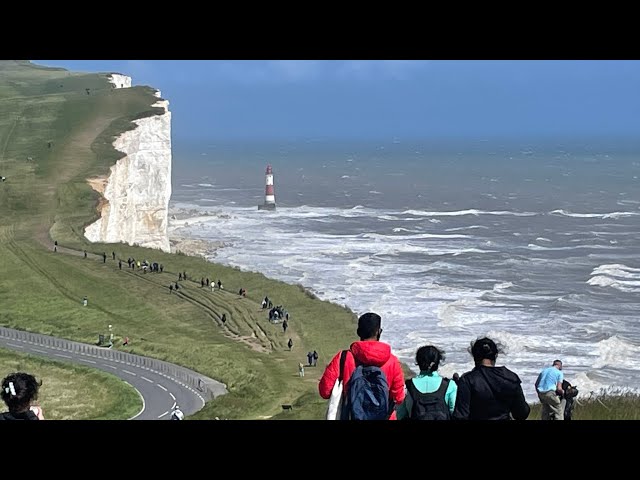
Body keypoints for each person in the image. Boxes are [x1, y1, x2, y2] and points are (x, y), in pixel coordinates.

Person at [318, 312, 405, 420]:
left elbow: (325, 391)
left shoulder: (343, 358)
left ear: (358, 332)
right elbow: (399, 398)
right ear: (379, 332)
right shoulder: (392, 361)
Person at [452, 336, 530, 421]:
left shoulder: (467, 380)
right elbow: (522, 413)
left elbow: (460, 416)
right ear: (496, 355)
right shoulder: (511, 378)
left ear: (474, 356)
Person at [396, 345, 457, 420]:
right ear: (438, 362)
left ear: (418, 362)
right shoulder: (449, 385)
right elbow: (454, 412)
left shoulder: (408, 386)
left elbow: (400, 414)